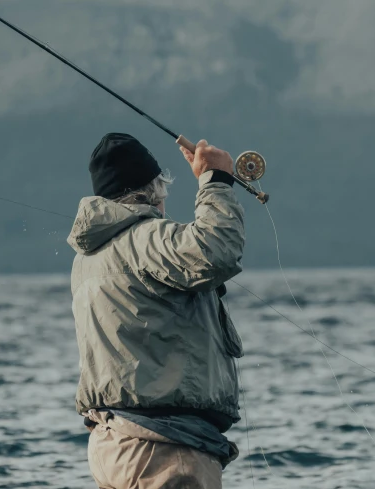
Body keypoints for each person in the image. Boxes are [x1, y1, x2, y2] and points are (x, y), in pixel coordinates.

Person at [67, 132, 246, 489]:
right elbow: (216, 251)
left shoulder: (89, 258)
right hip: (162, 451)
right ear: (153, 191)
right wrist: (216, 181)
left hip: (112, 445)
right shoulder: (144, 239)